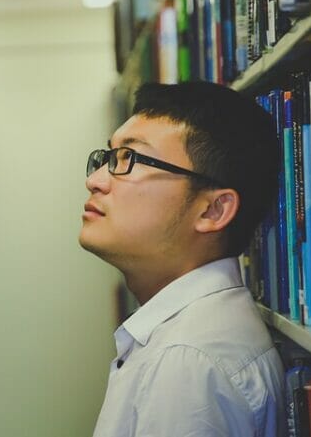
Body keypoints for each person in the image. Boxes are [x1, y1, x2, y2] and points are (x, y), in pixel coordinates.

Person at [80, 81, 285, 437]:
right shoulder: (186, 338)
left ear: (212, 210)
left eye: (130, 159)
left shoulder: (188, 361)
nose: (96, 181)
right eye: (109, 157)